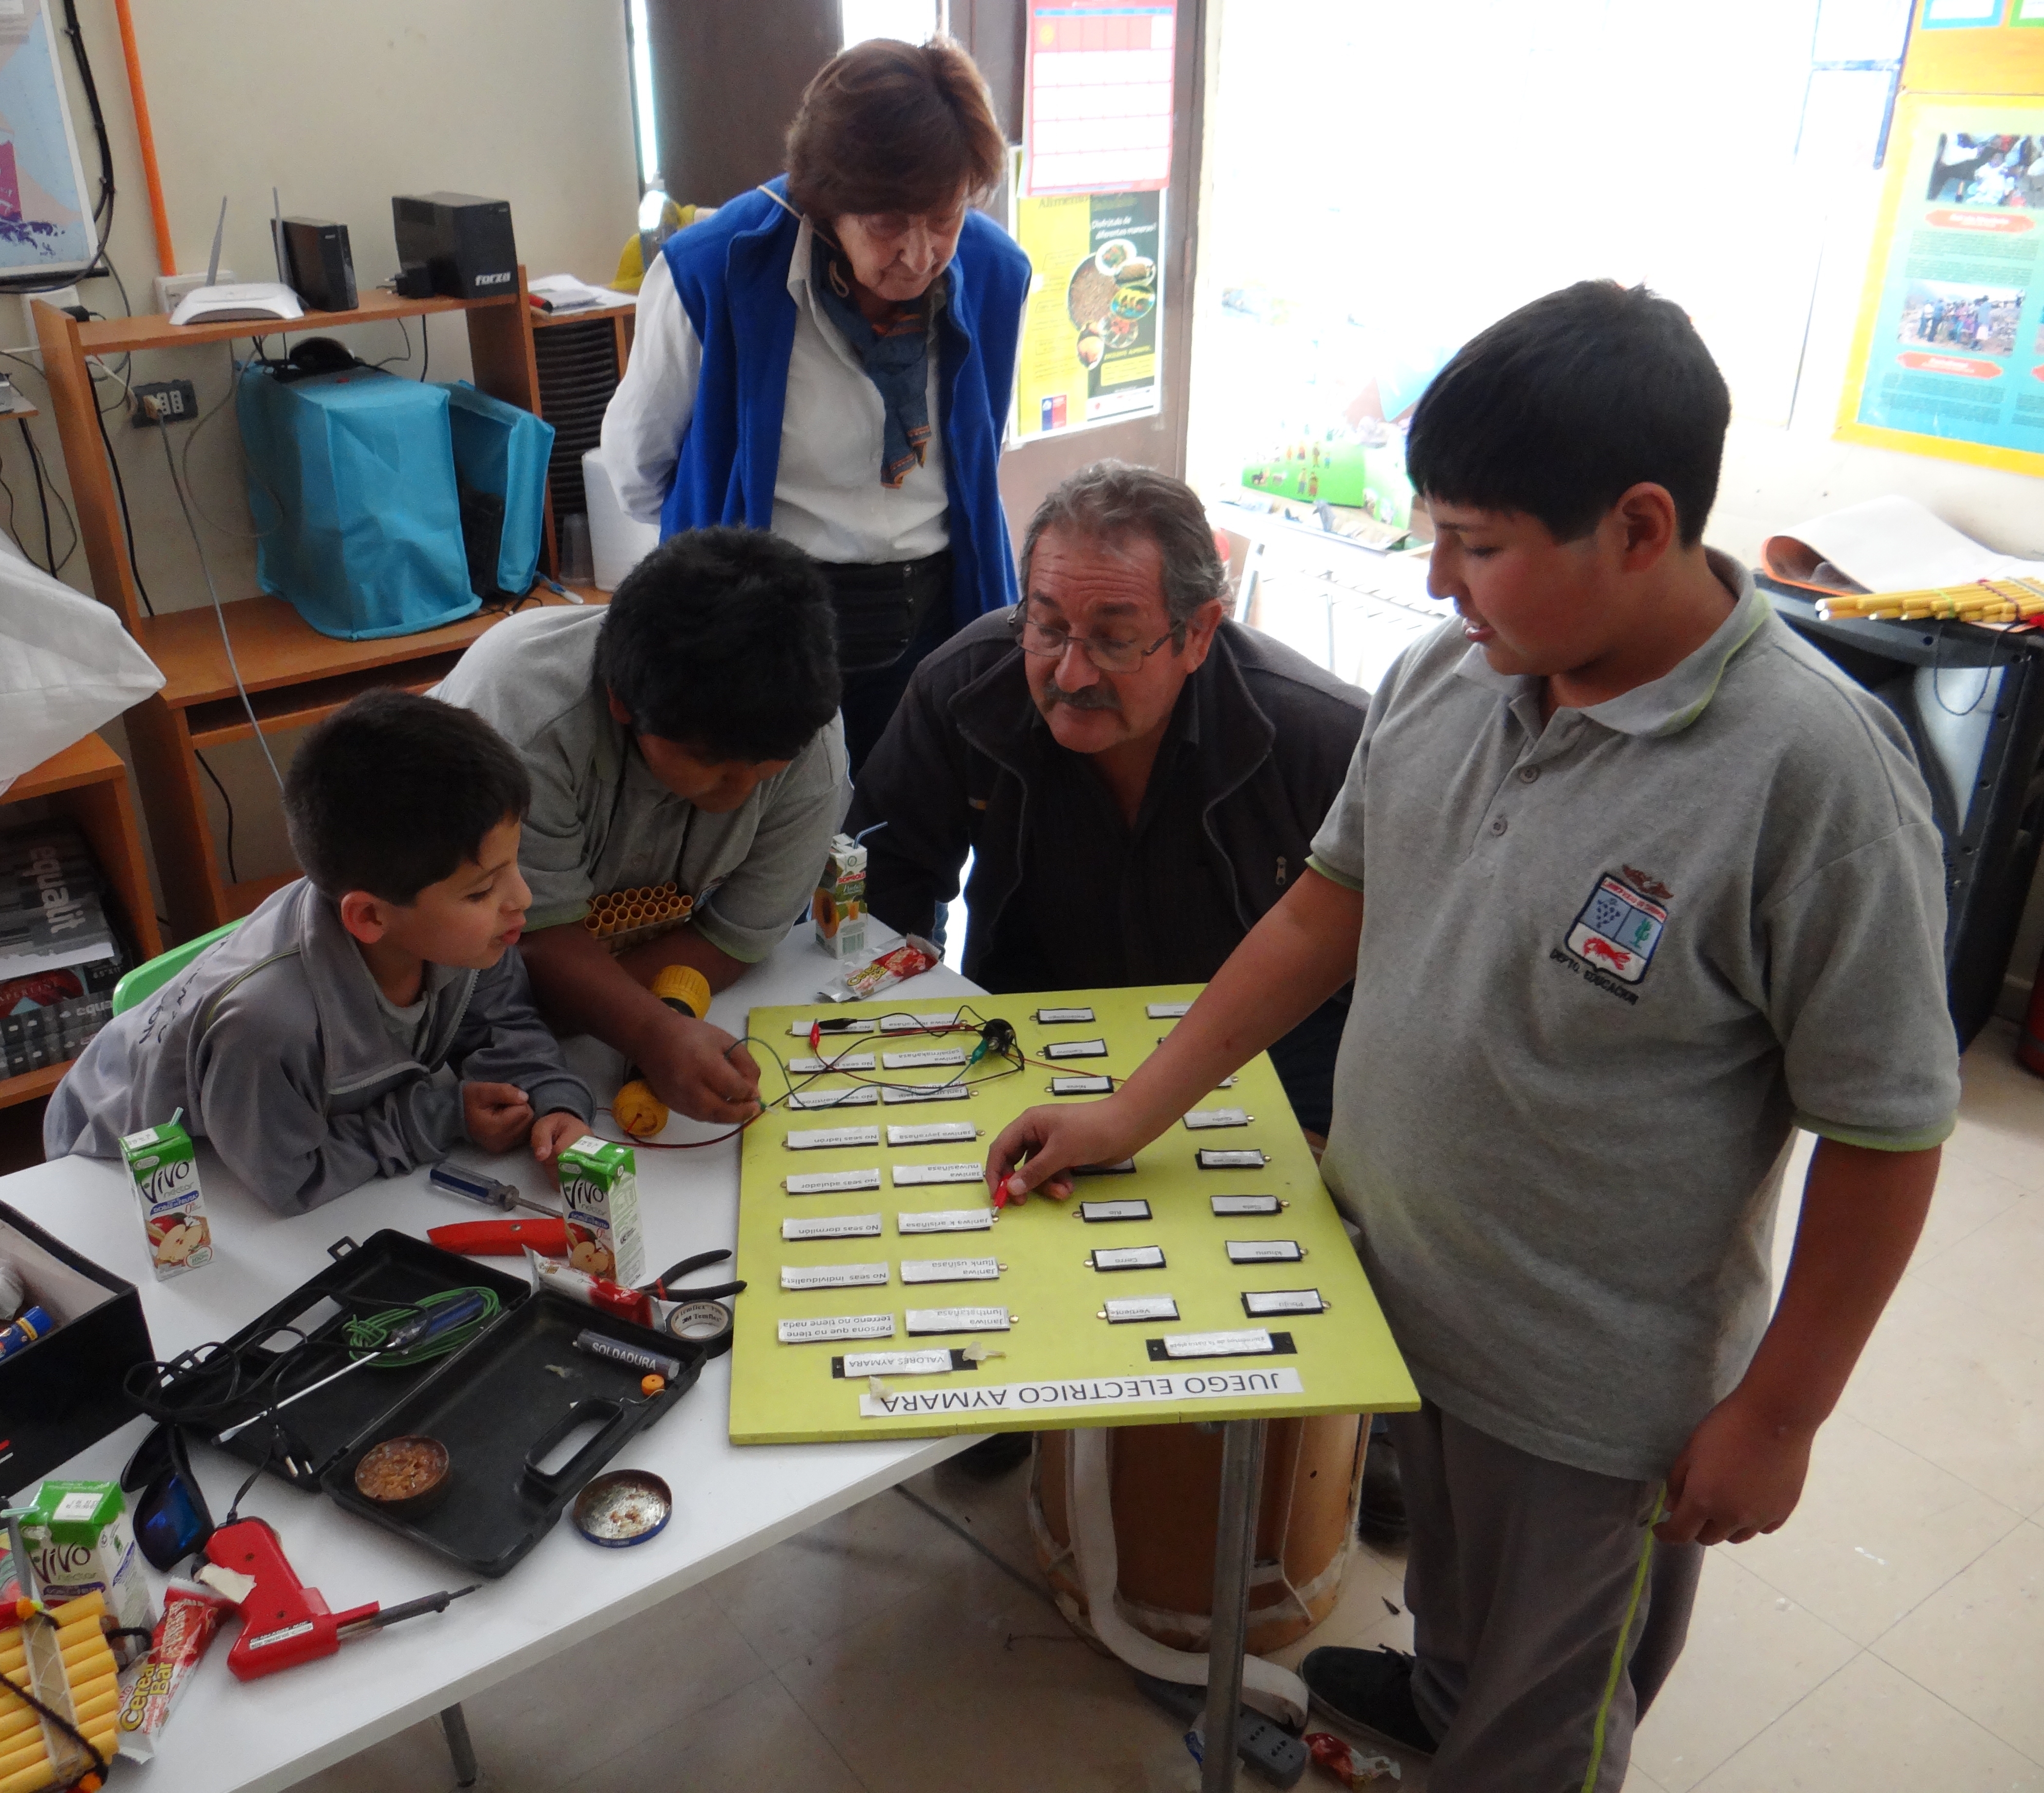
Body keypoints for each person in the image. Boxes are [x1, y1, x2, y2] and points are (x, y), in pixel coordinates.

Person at [985, 281, 1959, 1792]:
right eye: (1433, 530)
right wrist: (1135, 1110)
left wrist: (1780, 1410)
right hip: (1399, 1291)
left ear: (1640, 527)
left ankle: (1494, 1738)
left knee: (1547, 1715)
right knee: (1454, 1585)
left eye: (1481, 545)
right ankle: (1441, 1695)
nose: (1437, 580)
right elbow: (1324, 914)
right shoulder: (1453, 676)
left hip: (1591, 1390)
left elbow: (1889, 1129)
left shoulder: (1815, 779)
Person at [848, 460, 1366, 1141]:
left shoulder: (1323, 738)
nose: (1071, 672)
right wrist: (924, 1040)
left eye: (1115, 641)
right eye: (1047, 626)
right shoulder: (964, 689)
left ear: (1200, 633)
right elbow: (882, 884)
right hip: (1029, 1050)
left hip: (1267, 1076)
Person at [597, 34, 1030, 772]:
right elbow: (639, 468)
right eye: (888, 223)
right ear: (828, 203)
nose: (921, 254)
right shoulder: (714, 272)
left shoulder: (994, 272)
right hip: (759, 629)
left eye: (945, 217)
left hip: (931, 615)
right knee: (763, 849)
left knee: (901, 850)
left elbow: (981, 449)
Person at [44, 691, 593, 1214]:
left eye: (512, 867)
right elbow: (289, 1177)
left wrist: (553, 1098)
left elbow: (503, 1023)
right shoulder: (266, 1027)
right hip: (117, 1175)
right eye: (481, 891)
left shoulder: (461, 935)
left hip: (257, 1123)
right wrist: (440, 1117)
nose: (521, 898)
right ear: (370, 917)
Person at [436, 526, 847, 1127]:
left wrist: (626, 1019)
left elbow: (734, 939)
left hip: (538, 1015)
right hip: (443, 1017)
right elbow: (529, 936)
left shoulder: (808, 746)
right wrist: (650, 1031)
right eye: (711, 766)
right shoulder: (521, 725)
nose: (737, 795)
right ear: (621, 703)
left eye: (766, 772)